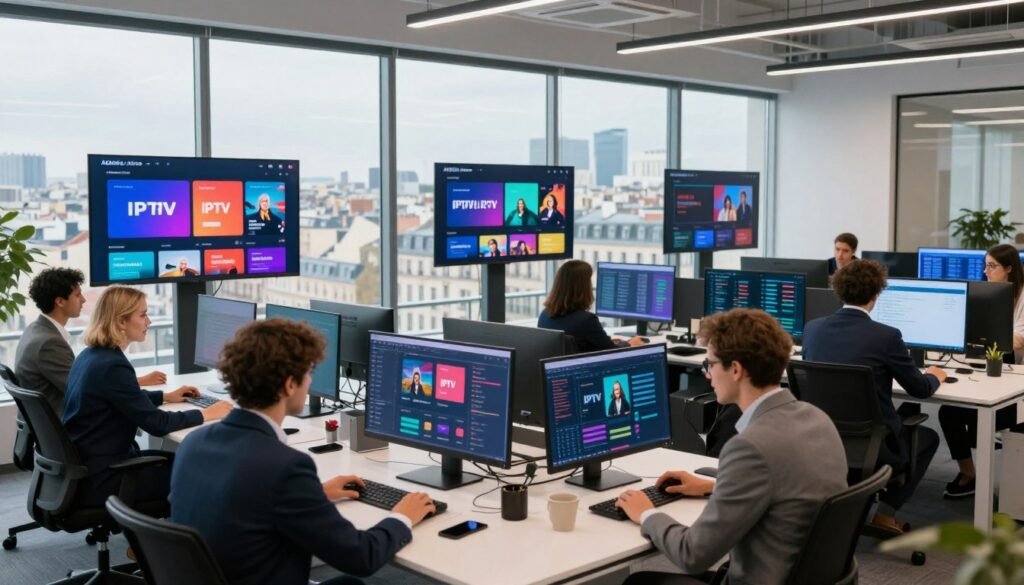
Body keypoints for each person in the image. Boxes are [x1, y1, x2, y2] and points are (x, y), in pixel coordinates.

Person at [171, 319, 436, 585]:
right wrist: (403, 516)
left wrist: (315, 495)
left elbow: (241, 502)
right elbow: (361, 557)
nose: (310, 381)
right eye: (309, 372)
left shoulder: (195, 442)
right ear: (289, 385)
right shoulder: (285, 467)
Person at [616, 309, 846, 585]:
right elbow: (789, 487)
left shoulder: (750, 447)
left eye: (710, 364)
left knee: (639, 582)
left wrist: (646, 513)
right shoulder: (818, 418)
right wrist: (714, 485)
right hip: (803, 576)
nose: (707, 374)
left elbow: (693, 555)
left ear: (735, 369)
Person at [802, 259, 946, 534]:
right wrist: (935, 375)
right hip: (872, 444)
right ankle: (885, 514)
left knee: (900, 414)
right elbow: (919, 389)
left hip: (821, 437)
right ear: (876, 294)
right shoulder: (886, 336)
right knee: (927, 436)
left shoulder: (813, 329)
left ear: (839, 291)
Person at [62, 286, 232, 507]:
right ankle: (171, 539)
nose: (149, 322)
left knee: (188, 461)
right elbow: (157, 424)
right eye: (142, 315)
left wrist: (164, 396)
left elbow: (123, 398)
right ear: (121, 322)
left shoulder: (91, 356)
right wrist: (207, 413)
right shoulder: (112, 365)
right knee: (202, 473)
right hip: (108, 476)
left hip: (94, 466)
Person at [938, 243, 1023, 498]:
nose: (986, 271)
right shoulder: (986, 293)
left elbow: (1018, 340)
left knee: (971, 415)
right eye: (985, 265)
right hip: (993, 371)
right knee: (949, 410)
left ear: (1009, 269)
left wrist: (984, 335)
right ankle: (969, 472)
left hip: (1017, 382)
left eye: (992, 266)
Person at [538, 260, 644, 352]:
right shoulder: (586, 320)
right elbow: (612, 351)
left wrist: (607, 340)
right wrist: (630, 344)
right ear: (583, 287)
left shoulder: (544, 315)